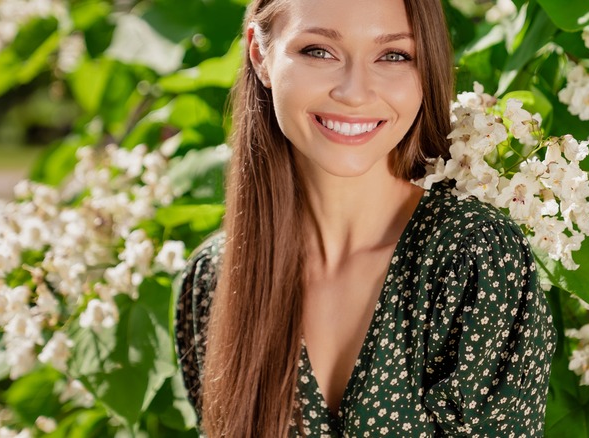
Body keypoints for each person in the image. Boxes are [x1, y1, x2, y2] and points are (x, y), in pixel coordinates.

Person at [174, 0, 556, 436]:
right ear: (260, 56)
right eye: (319, 50)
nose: (354, 92)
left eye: (393, 55)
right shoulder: (214, 280)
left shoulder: (474, 259)